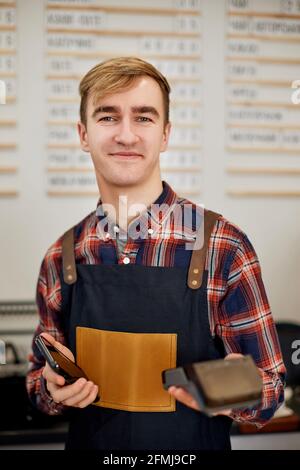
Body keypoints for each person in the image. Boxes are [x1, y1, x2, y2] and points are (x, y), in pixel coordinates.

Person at [27, 57, 286, 450]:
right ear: (83, 134)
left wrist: (239, 388)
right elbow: (36, 383)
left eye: (144, 118)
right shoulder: (60, 257)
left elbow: (271, 390)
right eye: (108, 117)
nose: (126, 135)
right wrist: (49, 388)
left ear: (165, 135)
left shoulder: (223, 247)